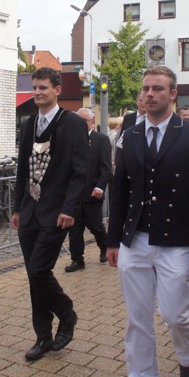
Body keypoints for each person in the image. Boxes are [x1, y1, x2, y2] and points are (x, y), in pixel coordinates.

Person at [107, 65, 189, 377]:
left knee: (175, 314)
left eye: (157, 89)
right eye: (146, 89)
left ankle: (187, 359)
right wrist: (113, 240)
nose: (150, 94)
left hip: (177, 241)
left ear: (173, 94)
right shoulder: (129, 136)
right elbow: (120, 191)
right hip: (135, 239)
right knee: (137, 317)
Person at [10, 67, 88, 362]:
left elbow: (80, 172)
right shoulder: (29, 124)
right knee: (34, 277)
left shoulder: (72, 123)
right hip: (29, 211)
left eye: (43, 87)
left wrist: (70, 208)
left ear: (57, 90)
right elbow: (22, 169)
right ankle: (42, 336)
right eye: (35, 87)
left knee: (39, 271)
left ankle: (67, 314)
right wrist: (17, 207)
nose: (37, 92)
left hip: (56, 213)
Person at [64, 108, 111, 272]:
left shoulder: (101, 140)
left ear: (92, 121)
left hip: (92, 193)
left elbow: (106, 168)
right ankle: (77, 260)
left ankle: (105, 248)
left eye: (84, 121)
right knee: (75, 229)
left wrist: (100, 187)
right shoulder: (70, 140)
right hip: (74, 195)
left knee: (96, 226)